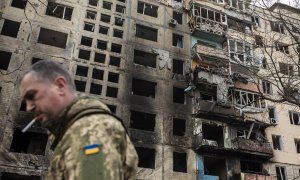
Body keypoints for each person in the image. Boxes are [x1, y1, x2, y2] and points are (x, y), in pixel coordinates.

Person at [19, 60, 138, 180]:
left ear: (60, 86)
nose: (29, 108)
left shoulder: (89, 130)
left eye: (31, 96)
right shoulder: (75, 131)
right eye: (26, 102)